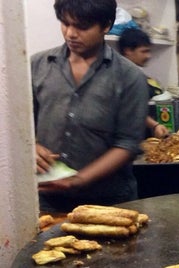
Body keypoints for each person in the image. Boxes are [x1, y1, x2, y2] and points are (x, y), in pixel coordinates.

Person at [32, 0, 150, 212]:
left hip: (109, 202)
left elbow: (128, 144)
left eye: (82, 27)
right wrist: (30, 146)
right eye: (65, 23)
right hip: (48, 200)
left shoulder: (130, 77)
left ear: (106, 25)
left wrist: (78, 180)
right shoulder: (38, 66)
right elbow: (19, 124)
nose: (70, 33)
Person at [117, 28, 169, 139]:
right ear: (128, 51)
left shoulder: (136, 74)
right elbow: (129, 110)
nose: (148, 56)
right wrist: (155, 125)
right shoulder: (120, 75)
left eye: (149, 51)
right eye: (144, 51)